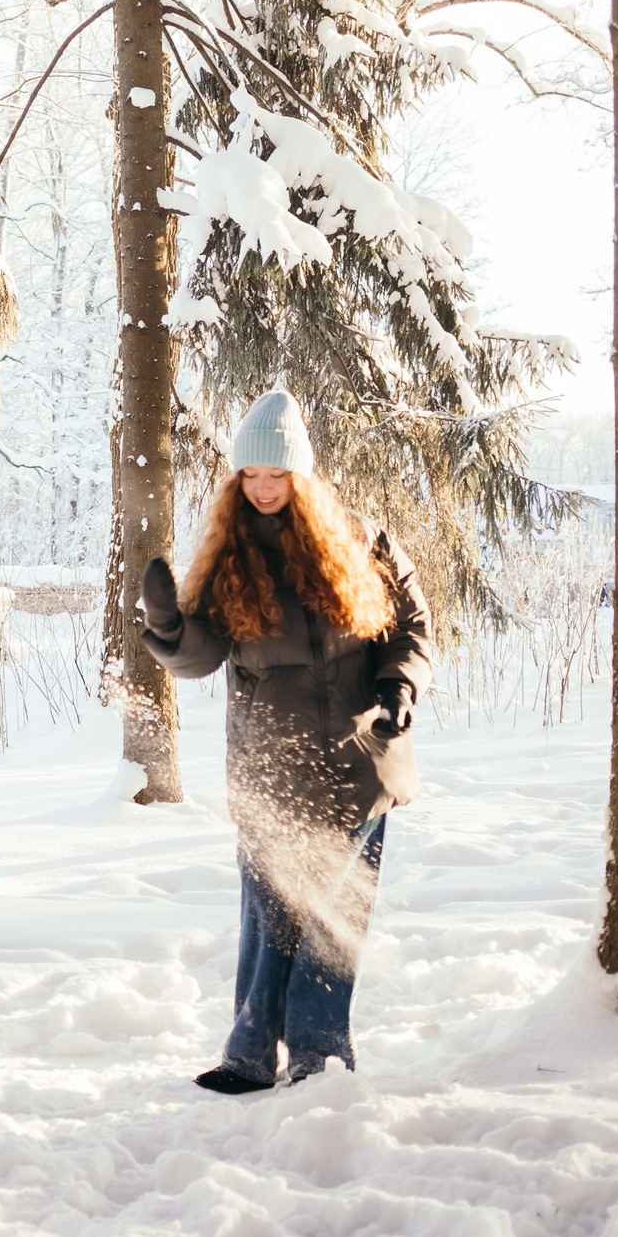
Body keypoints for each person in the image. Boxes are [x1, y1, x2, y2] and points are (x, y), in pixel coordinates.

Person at [139, 391, 432, 1094]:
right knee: (271, 917)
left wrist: (399, 688)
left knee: (332, 921)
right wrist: (168, 629)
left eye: (277, 475)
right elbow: (202, 653)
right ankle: (248, 1053)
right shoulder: (228, 559)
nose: (263, 488)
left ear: (302, 476)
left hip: (361, 763)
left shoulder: (363, 541)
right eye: (251, 476)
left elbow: (410, 625)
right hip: (275, 772)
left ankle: (318, 1058)